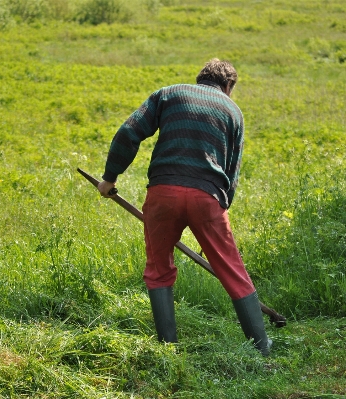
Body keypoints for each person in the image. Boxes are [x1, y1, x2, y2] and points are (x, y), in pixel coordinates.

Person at [97, 58, 271, 356]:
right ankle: (262, 346)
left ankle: (168, 348)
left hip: (163, 193)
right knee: (232, 270)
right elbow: (232, 172)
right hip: (208, 199)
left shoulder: (168, 94)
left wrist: (109, 178)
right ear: (228, 86)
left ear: (200, 78)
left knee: (158, 269)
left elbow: (129, 133)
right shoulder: (233, 112)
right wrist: (218, 218)